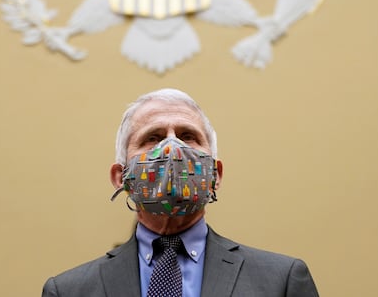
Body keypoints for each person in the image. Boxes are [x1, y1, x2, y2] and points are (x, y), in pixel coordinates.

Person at [42, 88, 319, 297]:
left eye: (188, 136)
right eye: (153, 137)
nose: (172, 148)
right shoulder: (68, 291)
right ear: (120, 177)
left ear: (216, 174)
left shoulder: (281, 281)